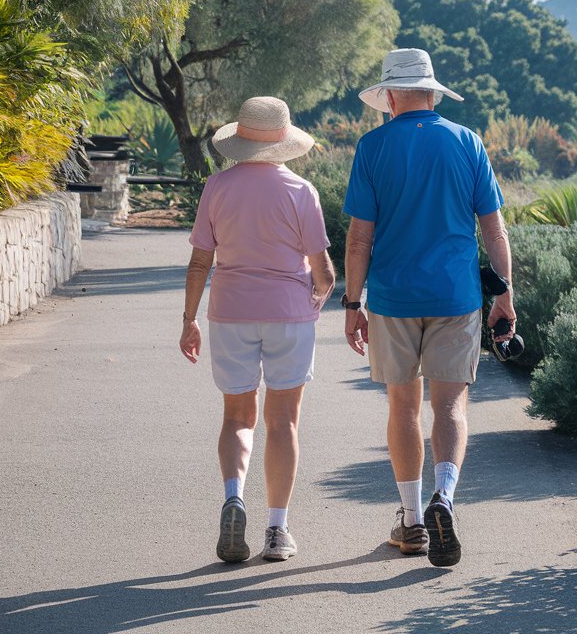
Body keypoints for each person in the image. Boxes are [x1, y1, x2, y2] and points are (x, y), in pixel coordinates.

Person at [342, 48, 516, 568]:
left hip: (394, 299)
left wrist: (354, 303)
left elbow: (357, 239)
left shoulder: (372, 147)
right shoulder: (467, 142)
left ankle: (414, 520)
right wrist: (504, 295)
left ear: (390, 96)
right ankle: (446, 495)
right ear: (434, 92)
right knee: (450, 407)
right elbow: (494, 228)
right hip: (457, 297)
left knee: (402, 407)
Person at [179, 96, 335, 564]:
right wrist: (319, 296)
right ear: (284, 142)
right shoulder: (301, 190)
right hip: (289, 313)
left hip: (230, 311)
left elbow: (200, 261)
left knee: (236, 417)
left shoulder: (217, 187)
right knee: (283, 420)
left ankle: (233, 497)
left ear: (240, 140)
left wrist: (188, 320)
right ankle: (277, 530)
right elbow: (322, 268)